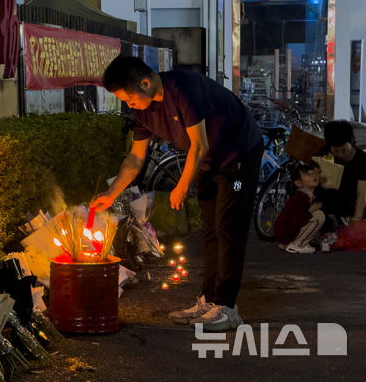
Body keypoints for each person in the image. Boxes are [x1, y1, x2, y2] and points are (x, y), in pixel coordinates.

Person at [90, 55, 263, 331]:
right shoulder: (144, 111)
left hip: (238, 158)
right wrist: (111, 193)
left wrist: (181, 187)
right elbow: (135, 159)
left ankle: (228, 308)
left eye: (129, 98)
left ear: (145, 83)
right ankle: (209, 300)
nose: (129, 104)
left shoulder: (183, 89)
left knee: (228, 228)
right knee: (211, 231)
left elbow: (199, 144)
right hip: (208, 162)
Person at [319, 120, 366, 223]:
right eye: (335, 151)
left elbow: (362, 192)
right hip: (330, 198)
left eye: (344, 150)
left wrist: (357, 217)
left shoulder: (362, 160)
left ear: (352, 143)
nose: (340, 155)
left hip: (352, 200)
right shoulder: (325, 153)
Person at [273, 163, 325, 254]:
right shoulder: (301, 197)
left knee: (318, 214)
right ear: (298, 183)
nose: (314, 176)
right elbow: (296, 220)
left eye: (314, 173)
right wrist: (311, 210)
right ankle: (297, 244)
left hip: (285, 232)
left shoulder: (305, 196)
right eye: (309, 174)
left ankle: (291, 243)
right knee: (319, 216)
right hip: (286, 232)